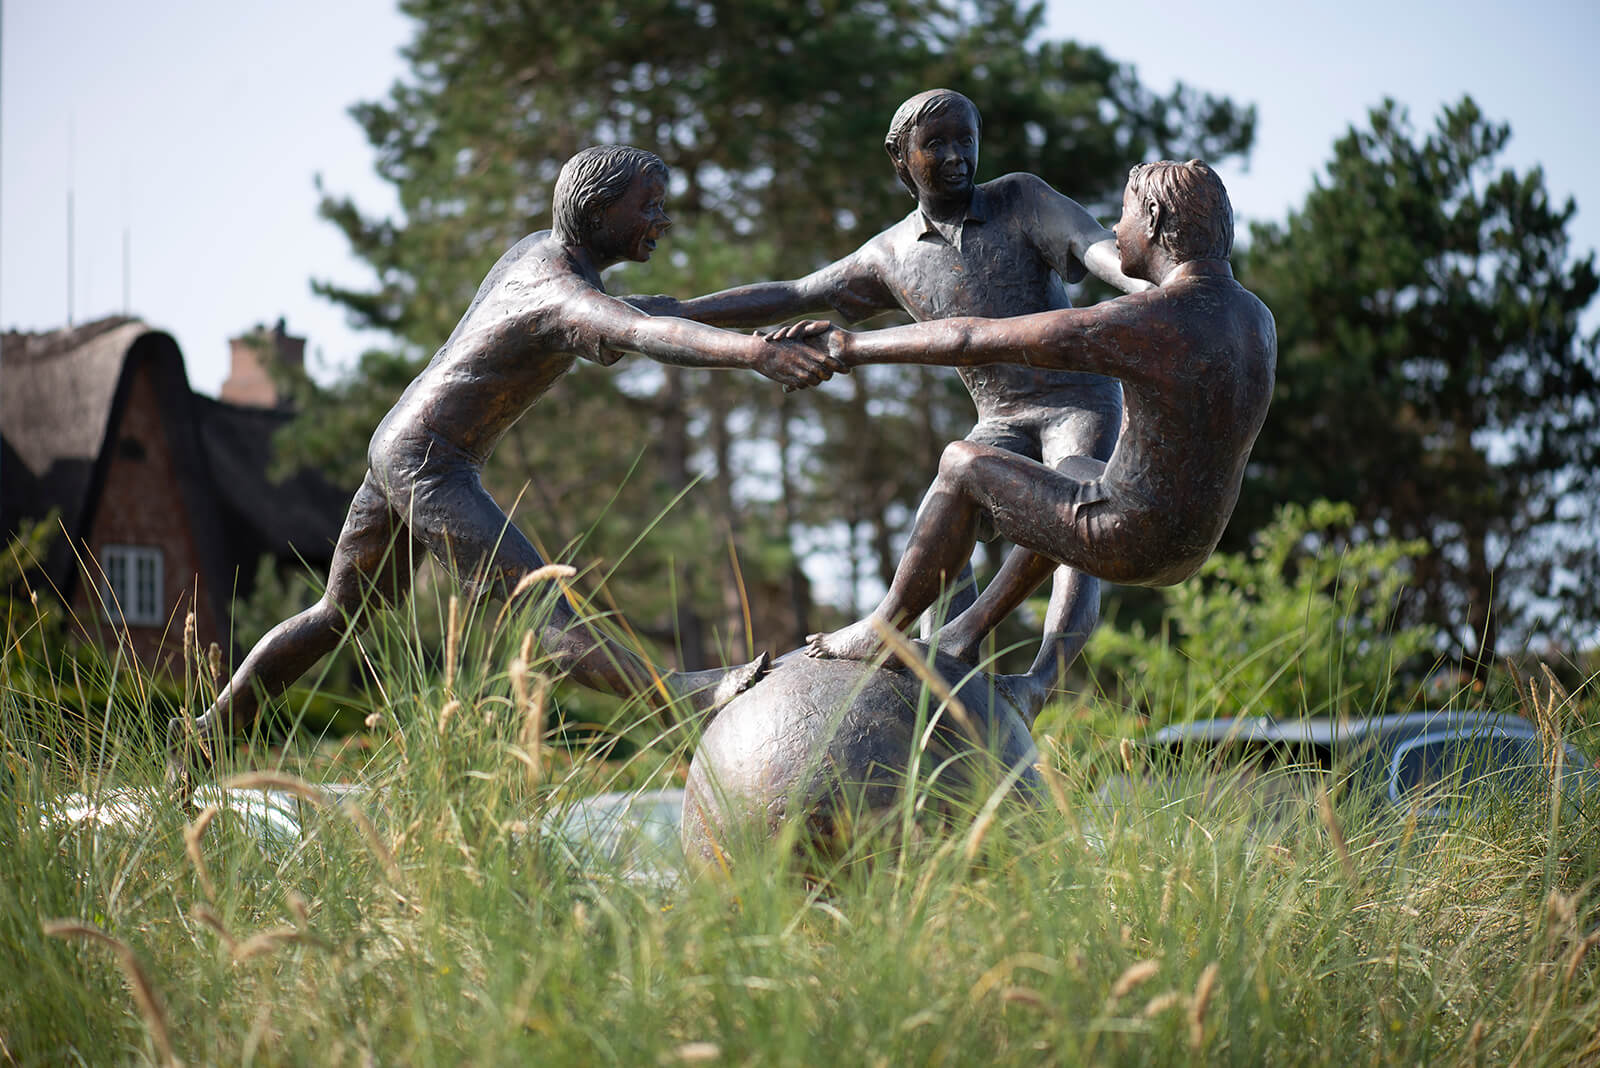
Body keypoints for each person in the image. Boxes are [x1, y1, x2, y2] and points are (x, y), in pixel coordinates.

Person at [170, 145, 840, 779]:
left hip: (402, 444)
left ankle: (208, 730)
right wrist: (755, 355)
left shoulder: (546, 259)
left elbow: (671, 312)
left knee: (336, 615)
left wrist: (814, 293)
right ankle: (678, 701)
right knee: (538, 610)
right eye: (649, 204)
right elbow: (643, 331)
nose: (663, 218)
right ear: (600, 212)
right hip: (431, 461)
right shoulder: (559, 294)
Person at [631, 89, 1151, 703]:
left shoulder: (1021, 199)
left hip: (1079, 401)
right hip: (1002, 416)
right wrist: (680, 312)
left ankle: (1039, 683)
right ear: (902, 161)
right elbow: (795, 293)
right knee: (938, 531)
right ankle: (940, 670)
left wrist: (1144, 282)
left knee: (1076, 518)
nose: (956, 156)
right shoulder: (889, 254)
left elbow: (1094, 246)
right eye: (935, 145)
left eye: (965, 139)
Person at [797, 160, 1276, 680]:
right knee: (1070, 473)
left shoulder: (1155, 318)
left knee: (962, 464)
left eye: (1124, 215)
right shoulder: (1255, 316)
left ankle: (883, 629)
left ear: (1155, 217)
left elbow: (969, 339)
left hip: (1130, 535)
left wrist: (852, 345)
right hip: (1191, 544)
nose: (1115, 231)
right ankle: (965, 634)